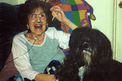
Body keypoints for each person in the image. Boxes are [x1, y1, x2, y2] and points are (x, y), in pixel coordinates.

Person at [12, 0, 77, 81]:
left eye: (42, 15)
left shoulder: (53, 33)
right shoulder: (20, 40)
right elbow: (26, 71)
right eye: (33, 15)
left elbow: (81, 40)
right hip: (41, 78)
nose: (38, 19)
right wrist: (57, 79)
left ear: (47, 21)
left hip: (62, 72)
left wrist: (65, 21)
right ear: (27, 22)